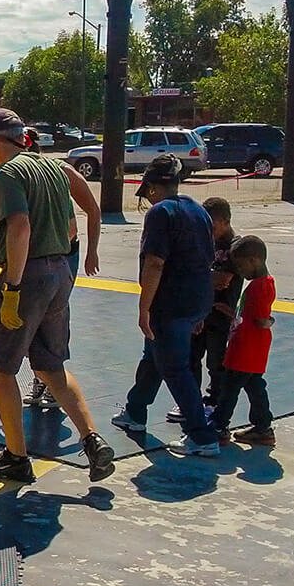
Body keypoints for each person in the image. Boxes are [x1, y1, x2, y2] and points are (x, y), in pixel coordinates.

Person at [0, 108, 115, 484]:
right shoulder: (55, 169)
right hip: (60, 272)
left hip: (28, 274)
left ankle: (16, 457)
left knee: (2, 368)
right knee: (51, 366)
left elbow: (19, 227)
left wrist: (13, 289)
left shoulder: (8, 173)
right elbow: (72, 227)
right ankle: (92, 440)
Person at [111, 154, 218, 457]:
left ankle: (201, 434)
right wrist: (202, 308)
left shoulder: (160, 214)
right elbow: (206, 260)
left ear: (154, 188)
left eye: (147, 192)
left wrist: (144, 308)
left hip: (170, 303)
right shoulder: (198, 211)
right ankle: (135, 411)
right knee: (154, 355)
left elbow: (155, 263)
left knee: (174, 367)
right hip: (197, 299)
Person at [24, 156, 101, 410]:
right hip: (35, 255)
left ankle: (54, 380)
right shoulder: (19, 176)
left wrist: (93, 251)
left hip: (64, 254)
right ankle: (40, 377)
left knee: (55, 317)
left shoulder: (62, 172)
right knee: (32, 320)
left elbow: (92, 209)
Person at [167, 196, 238, 420]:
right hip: (199, 310)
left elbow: (223, 279)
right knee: (191, 358)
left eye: (213, 225)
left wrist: (194, 275)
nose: (209, 230)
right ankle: (191, 400)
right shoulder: (205, 241)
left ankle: (215, 402)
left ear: (225, 221)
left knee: (217, 362)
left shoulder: (235, 247)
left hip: (220, 313)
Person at [208, 236, 277, 446]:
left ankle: (219, 426)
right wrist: (233, 313)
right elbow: (253, 316)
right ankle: (263, 426)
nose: (239, 271)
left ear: (254, 260)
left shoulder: (259, 286)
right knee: (255, 386)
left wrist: (266, 321)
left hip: (245, 349)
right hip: (254, 351)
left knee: (229, 388)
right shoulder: (264, 283)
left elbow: (260, 318)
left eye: (241, 265)